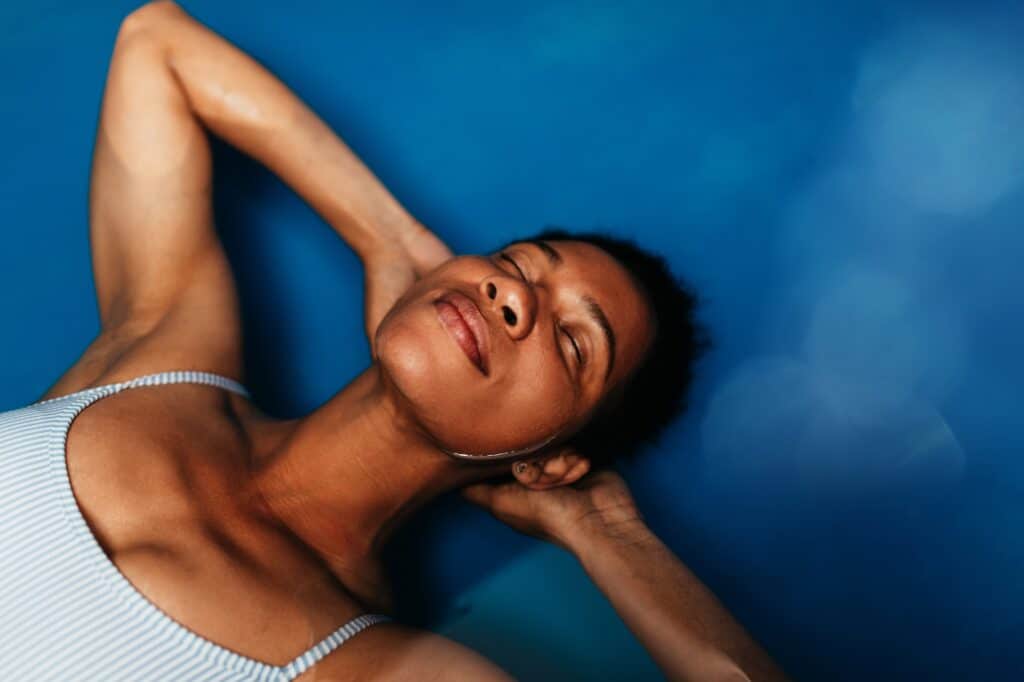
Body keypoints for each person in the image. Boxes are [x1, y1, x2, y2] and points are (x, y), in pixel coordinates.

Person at [0, 1, 790, 680]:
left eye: (575, 344)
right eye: (518, 265)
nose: (514, 296)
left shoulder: (381, 666)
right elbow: (156, 43)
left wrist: (603, 532)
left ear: (549, 462)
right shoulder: (159, 352)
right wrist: (387, 238)